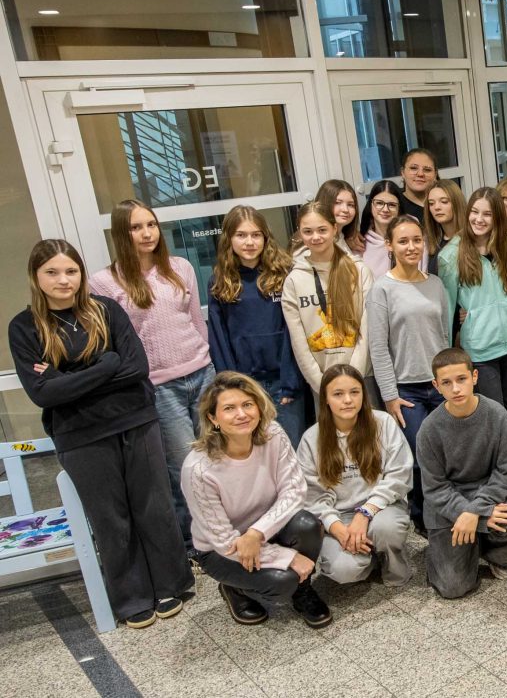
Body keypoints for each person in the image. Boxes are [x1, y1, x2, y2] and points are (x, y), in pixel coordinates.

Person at [9, 239, 193, 629]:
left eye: (71, 271)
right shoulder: (24, 328)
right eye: (52, 272)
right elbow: (43, 393)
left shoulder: (106, 310)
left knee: (153, 507)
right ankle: (132, 598)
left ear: (81, 273)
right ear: (36, 277)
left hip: (135, 421)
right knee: (110, 518)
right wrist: (106, 364)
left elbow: (136, 368)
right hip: (80, 435)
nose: (64, 280)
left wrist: (70, 379)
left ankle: (171, 583)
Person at [90, 199, 214, 544]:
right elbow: (113, 341)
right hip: (159, 386)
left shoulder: (180, 267)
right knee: (182, 465)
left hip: (202, 373)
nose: (146, 233)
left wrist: (204, 359)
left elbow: (195, 320)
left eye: (151, 224)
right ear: (121, 233)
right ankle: (192, 542)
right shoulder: (104, 282)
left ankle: (223, 529)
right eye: (135, 227)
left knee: (215, 455)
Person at [182, 372, 330, 628]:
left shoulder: (273, 433)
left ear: (259, 408)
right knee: (282, 580)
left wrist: (256, 533)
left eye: (247, 405)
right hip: (221, 551)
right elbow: (223, 541)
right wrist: (289, 558)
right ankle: (234, 589)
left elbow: (294, 489)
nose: (241, 414)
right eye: (229, 408)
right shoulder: (198, 469)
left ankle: (302, 590)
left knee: (307, 524)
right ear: (213, 418)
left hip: (263, 530)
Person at [416, 348, 507, 598]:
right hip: (447, 505)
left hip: (488, 493)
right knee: (453, 588)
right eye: (446, 383)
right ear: (437, 386)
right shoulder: (429, 430)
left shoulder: (499, 416)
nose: (456, 388)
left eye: (461, 379)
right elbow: (435, 489)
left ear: (475, 377)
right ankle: (459, 547)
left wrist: (475, 510)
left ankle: (493, 553)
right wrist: (471, 514)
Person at [366, 214, 451, 532]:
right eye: (403, 240)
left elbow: (444, 336)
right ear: (390, 245)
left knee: (444, 451)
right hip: (406, 389)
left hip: (439, 385)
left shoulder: (435, 284)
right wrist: (390, 396)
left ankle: (444, 508)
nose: (412, 246)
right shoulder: (382, 290)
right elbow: (378, 348)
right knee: (418, 454)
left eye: (417, 240)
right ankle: (421, 515)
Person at [297, 365, 413, 586]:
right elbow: (311, 496)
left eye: (354, 392)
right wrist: (337, 528)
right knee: (343, 571)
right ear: (326, 400)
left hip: (381, 508)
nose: (348, 400)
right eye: (338, 394)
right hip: (340, 516)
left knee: (385, 530)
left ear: (363, 394)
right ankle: (367, 556)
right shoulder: (311, 438)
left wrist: (365, 513)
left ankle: (392, 560)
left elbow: (400, 474)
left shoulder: (383, 423)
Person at [208, 205, 304, 444]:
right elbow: (219, 340)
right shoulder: (220, 282)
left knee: (291, 447)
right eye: (241, 235)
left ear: (265, 237)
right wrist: (233, 387)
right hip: (246, 386)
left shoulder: (284, 274)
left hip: (286, 383)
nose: (249, 242)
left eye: (255, 235)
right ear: (229, 239)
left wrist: (290, 383)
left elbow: (295, 332)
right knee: (255, 451)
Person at [437, 188, 507, 417]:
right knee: (493, 415)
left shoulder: (503, 246)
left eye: (487, 214)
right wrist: (448, 355)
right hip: (480, 348)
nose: (479, 219)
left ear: (496, 217)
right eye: (474, 212)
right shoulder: (451, 255)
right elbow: (447, 309)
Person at [282, 201, 374, 393]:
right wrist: (322, 384)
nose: (315, 237)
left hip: (362, 377)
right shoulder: (294, 280)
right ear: (299, 233)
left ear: (334, 229)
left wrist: (352, 378)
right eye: (308, 231)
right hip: (322, 383)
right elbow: (299, 343)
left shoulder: (358, 270)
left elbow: (367, 327)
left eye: (322, 230)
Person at [359, 179, 406, 278]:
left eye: (392, 205)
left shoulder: (411, 238)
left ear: (399, 209)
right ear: (371, 205)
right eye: (379, 203)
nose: (385, 209)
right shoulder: (359, 243)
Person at [424, 178, 466, 276]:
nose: (436, 207)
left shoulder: (472, 239)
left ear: (456, 203)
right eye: (431, 203)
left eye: (444, 201)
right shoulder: (431, 243)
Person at [315, 179, 365, 255]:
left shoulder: (343, 237)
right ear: (323, 204)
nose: (345, 210)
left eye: (350, 205)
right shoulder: (317, 241)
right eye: (338, 203)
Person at [398, 147, 438, 221]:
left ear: (435, 174)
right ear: (402, 172)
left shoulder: (446, 202)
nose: (420, 174)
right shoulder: (394, 204)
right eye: (413, 168)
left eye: (427, 170)